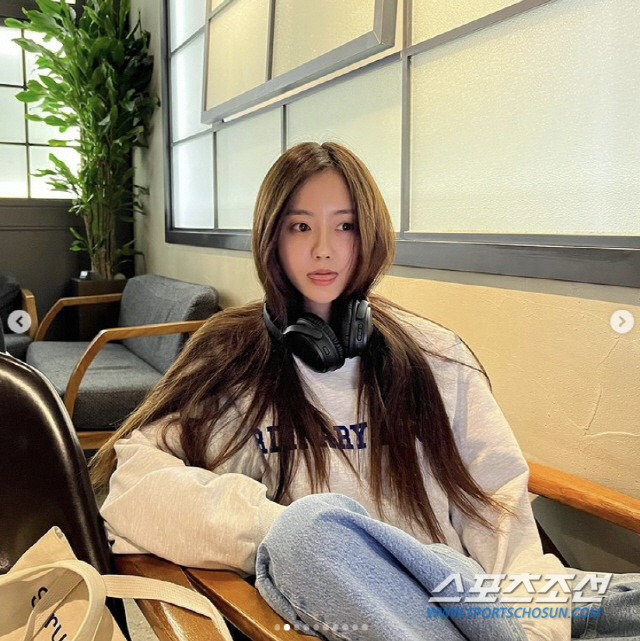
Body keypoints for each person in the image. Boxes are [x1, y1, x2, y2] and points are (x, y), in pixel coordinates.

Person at [90, 142, 639, 641]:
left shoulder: (436, 355)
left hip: (468, 597)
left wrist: (535, 627)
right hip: (351, 612)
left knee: (618, 602)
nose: (323, 249)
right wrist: (286, 530)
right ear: (271, 237)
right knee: (307, 534)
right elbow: (133, 485)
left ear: (370, 232)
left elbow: (498, 510)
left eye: (345, 226)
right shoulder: (232, 362)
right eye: (300, 226)